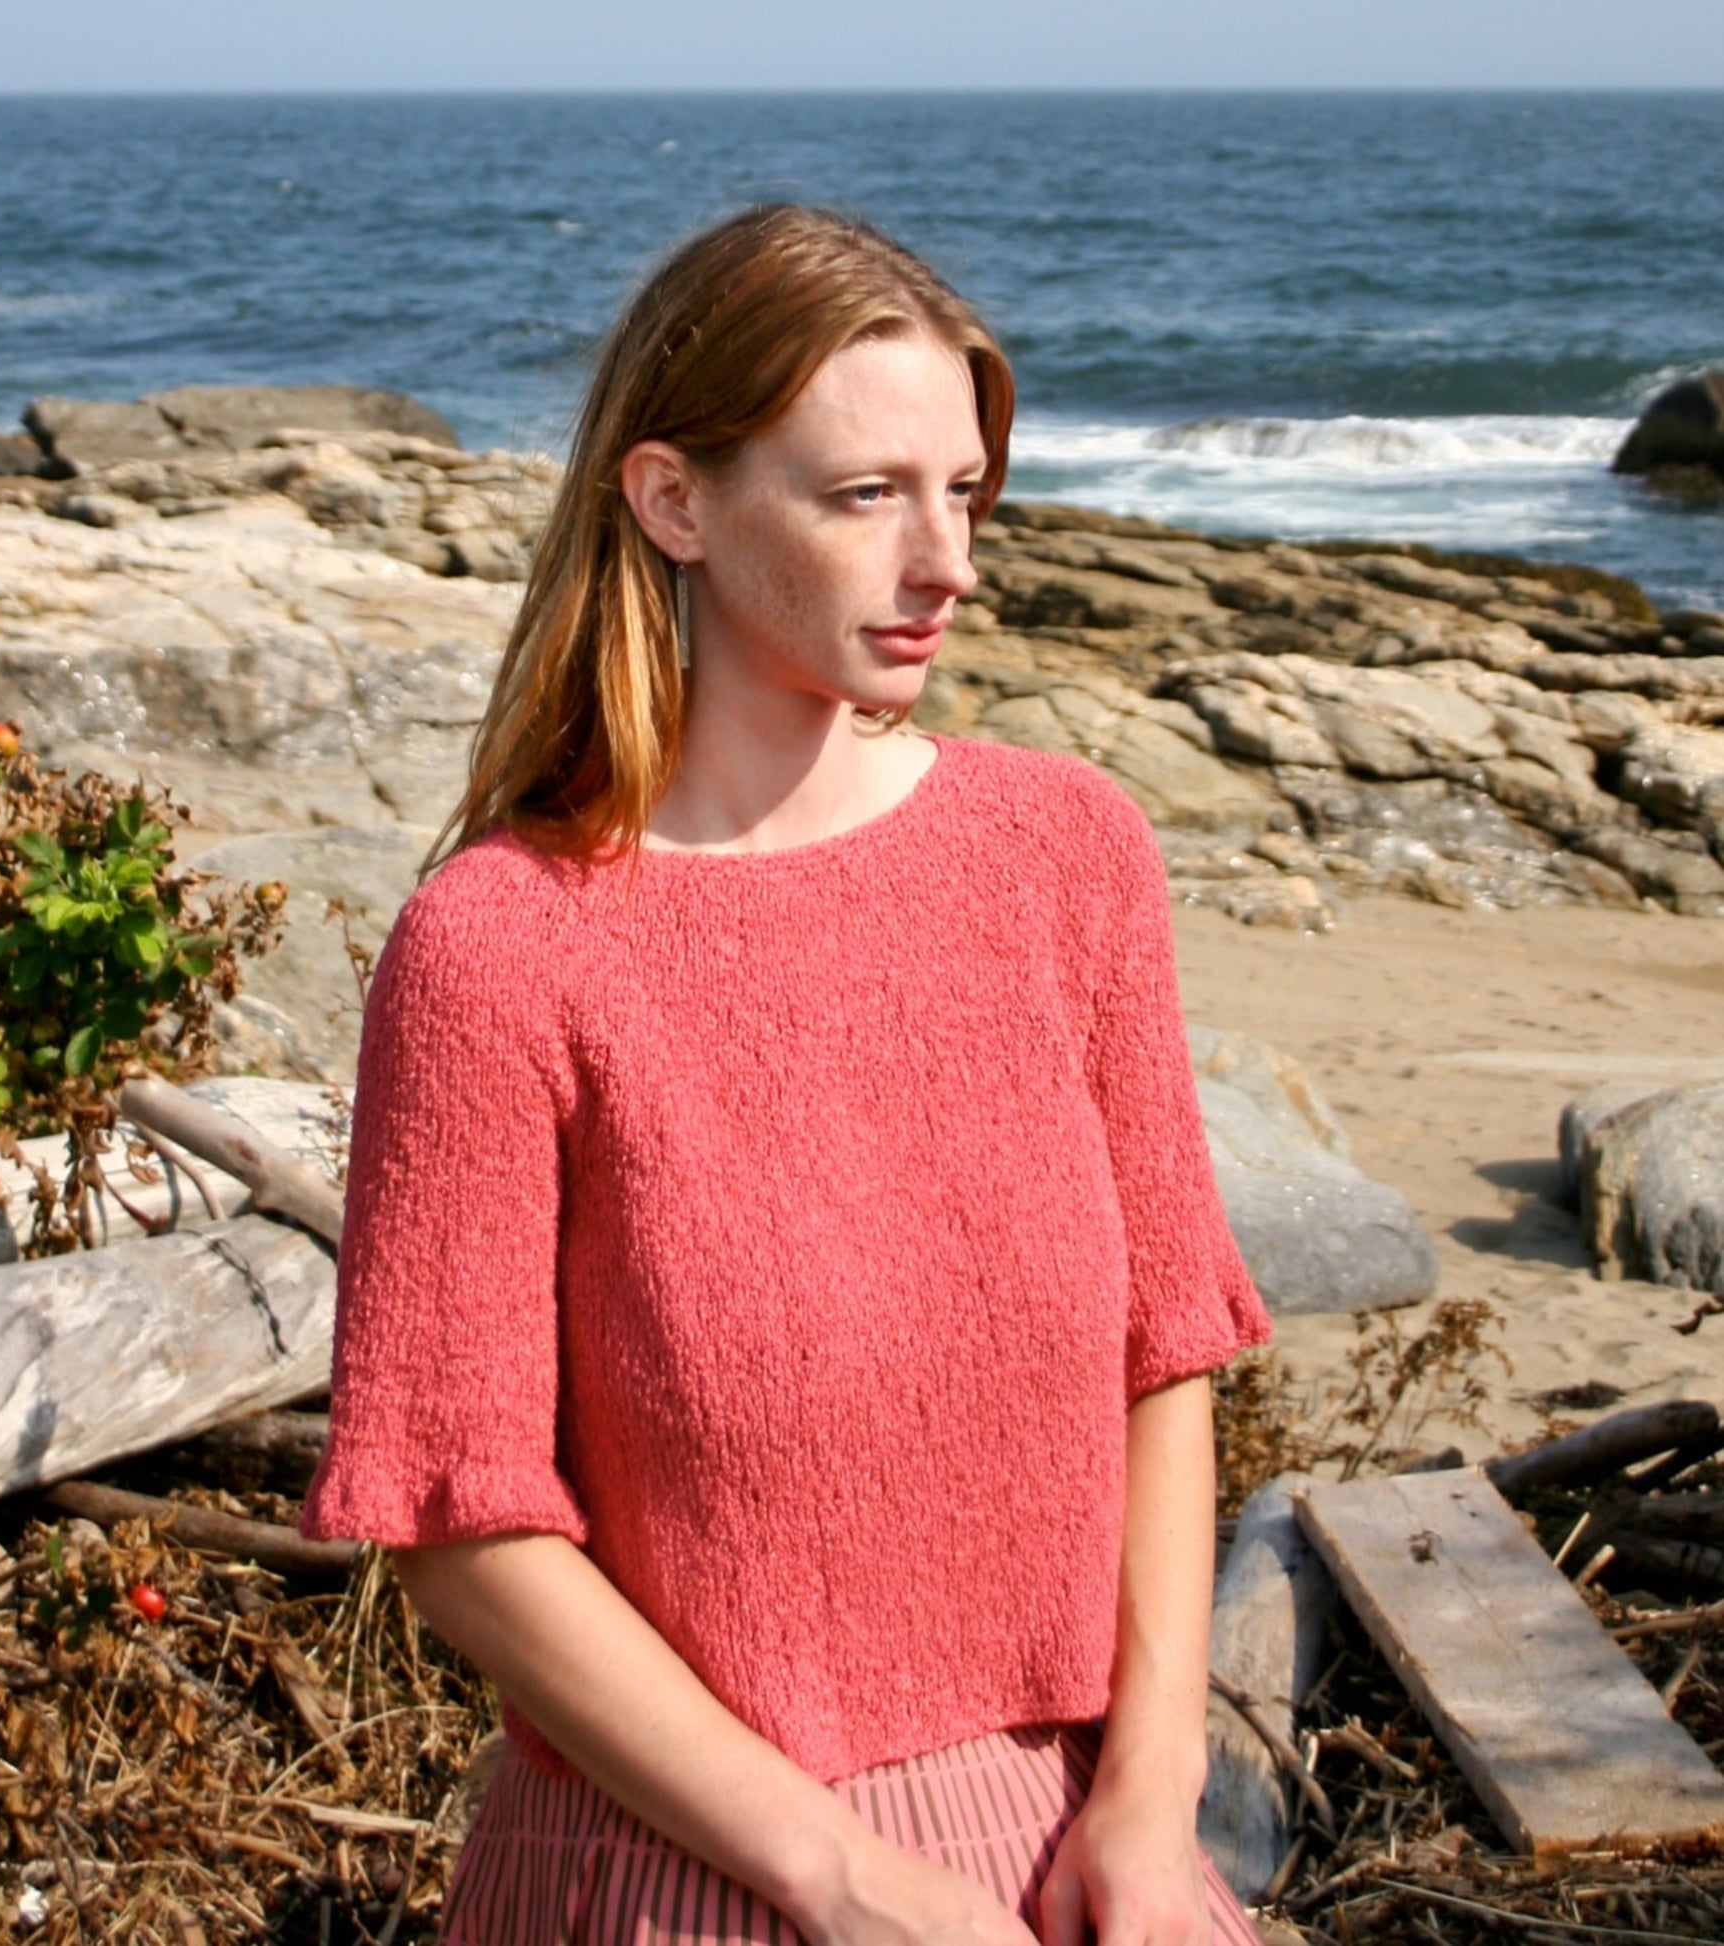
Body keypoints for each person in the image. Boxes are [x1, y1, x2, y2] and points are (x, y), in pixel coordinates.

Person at [300, 204, 1272, 1946]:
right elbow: (460, 1524)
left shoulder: (1067, 856)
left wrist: (1148, 1791)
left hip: (1084, 1858)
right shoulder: (498, 946)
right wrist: (838, 1876)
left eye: (963, 490)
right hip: (677, 1873)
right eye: (863, 495)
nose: (946, 560)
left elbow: (1165, 1359)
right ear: (673, 500)